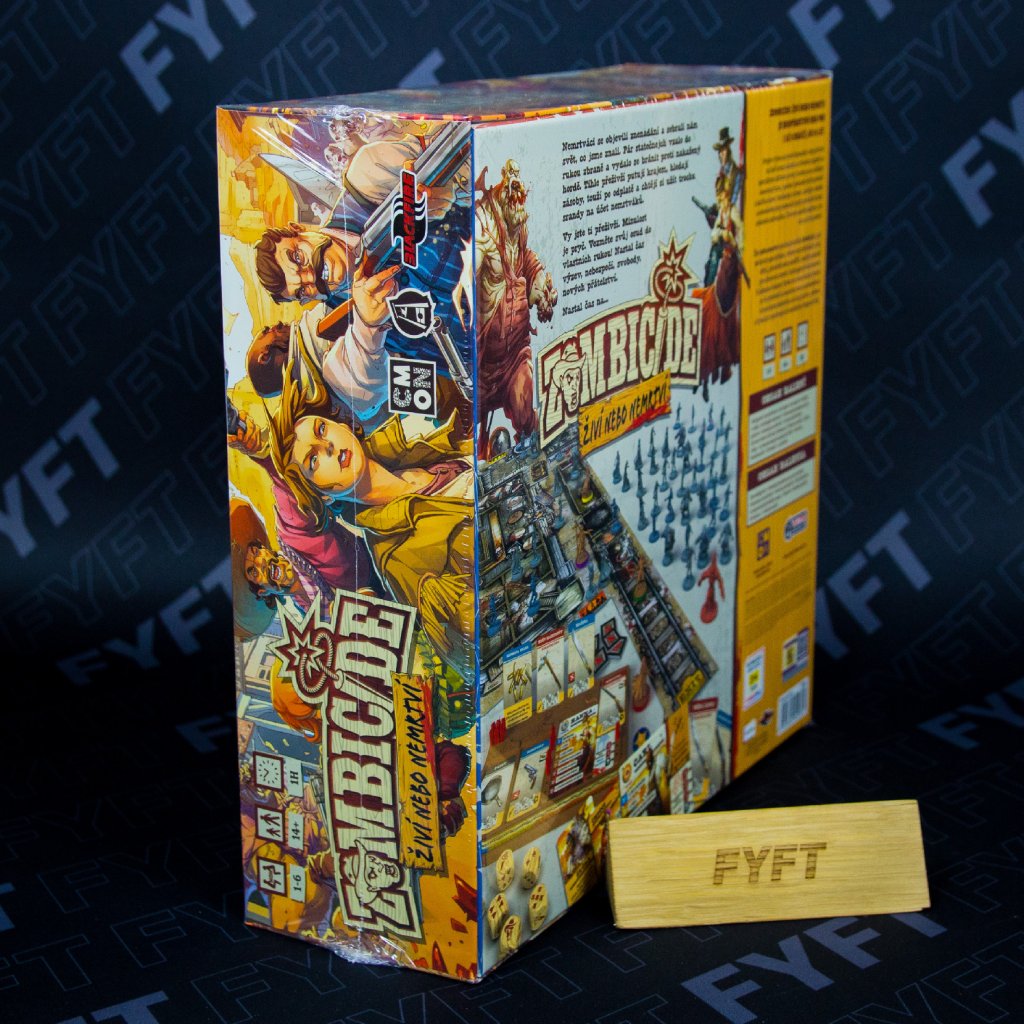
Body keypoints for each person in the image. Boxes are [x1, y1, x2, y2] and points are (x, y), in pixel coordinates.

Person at [266, 362, 474, 678]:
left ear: (340, 424)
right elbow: (467, 639)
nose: (328, 446)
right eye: (314, 460)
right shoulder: (396, 558)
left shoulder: (411, 435)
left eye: (321, 430)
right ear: (322, 496)